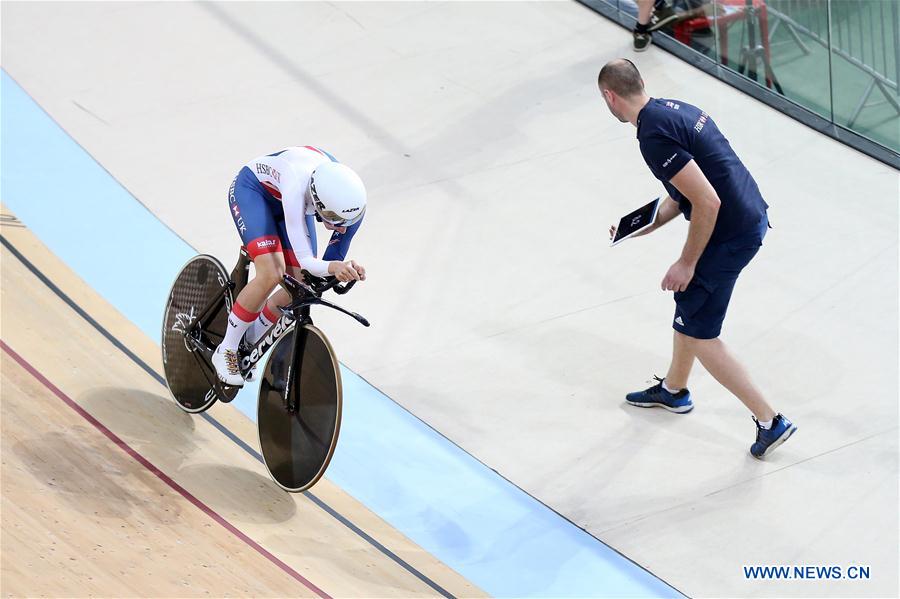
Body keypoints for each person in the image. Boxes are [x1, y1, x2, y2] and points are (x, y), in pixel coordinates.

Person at [597, 59, 797, 458]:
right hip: (747, 217)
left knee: (702, 333)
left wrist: (685, 263)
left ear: (610, 96)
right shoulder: (674, 110)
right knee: (688, 309)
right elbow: (683, 192)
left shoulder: (651, 135)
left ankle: (769, 420)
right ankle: (674, 390)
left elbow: (706, 201)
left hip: (731, 234)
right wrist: (643, 223)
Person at [213, 145, 367, 387]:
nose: (341, 228)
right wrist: (333, 266)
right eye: (334, 221)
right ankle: (227, 349)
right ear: (319, 203)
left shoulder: (350, 205)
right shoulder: (297, 185)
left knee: (303, 283)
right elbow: (308, 260)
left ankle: (251, 338)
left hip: (294, 203)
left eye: (345, 223)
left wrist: (340, 271)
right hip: (254, 192)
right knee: (272, 272)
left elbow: (322, 266)